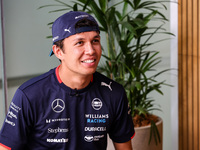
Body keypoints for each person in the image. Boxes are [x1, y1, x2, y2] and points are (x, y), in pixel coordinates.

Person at [0, 11, 135, 150]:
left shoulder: (114, 93)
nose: (90, 50)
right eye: (79, 43)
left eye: (95, 41)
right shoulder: (29, 95)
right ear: (58, 51)